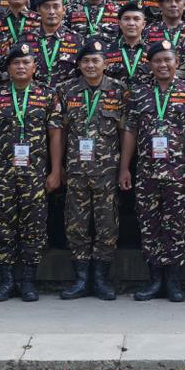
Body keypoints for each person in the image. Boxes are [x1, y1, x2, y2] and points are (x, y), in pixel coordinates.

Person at [120, 39, 185, 302]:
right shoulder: (140, 94)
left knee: (176, 226)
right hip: (147, 172)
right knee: (150, 226)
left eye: (168, 60)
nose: (163, 64)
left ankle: (173, 281)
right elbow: (130, 131)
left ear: (177, 63)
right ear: (150, 65)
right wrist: (125, 167)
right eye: (157, 60)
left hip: (178, 173)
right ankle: (154, 279)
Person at [0, 42, 61, 303]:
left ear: (35, 67)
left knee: (34, 227)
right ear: (9, 68)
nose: (21, 66)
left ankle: (28, 281)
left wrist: (55, 170)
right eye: (16, 63)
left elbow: (55, 135)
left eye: (26, 62)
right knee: (2, 227)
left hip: (36, 173)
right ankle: (7, 282)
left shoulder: (47, 95)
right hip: (4, 171)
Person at [57, 38, 127, 301]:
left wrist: (124, 168)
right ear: (78, 64)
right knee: (76, 223)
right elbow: (60, 132)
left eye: (95, 60)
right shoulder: (66, 90)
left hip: (107, 170)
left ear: (105, 64)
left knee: (107, 223)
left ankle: (100, 278)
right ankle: (81, 278)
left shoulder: (119, 90)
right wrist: (58, 166)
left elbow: (125, 133)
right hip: (76, 169)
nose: (90, 65)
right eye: (85, 60)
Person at [23, 0, 81, 87]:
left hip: (67, 96)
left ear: (63, 10)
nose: (51, 12)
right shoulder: (25, 39)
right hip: (36, 97)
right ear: (38, 10)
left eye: (56, 7)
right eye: (46, 7)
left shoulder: (77, 40)